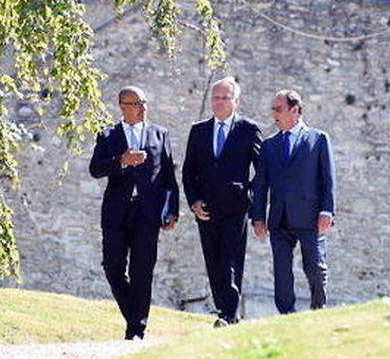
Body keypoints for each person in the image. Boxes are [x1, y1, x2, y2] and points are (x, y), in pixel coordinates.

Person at [89, 86, 180, 340]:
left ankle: (136, 329)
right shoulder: (108, 135)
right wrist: (121, 162)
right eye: (137, 103)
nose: (143, 108)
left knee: (143, 270)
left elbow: (169, 176)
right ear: (122, 106)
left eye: (144, 102)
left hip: (147, 213)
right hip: (116, 212)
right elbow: (95, 169)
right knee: (112, 266)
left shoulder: (159, 134)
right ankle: (134, 315)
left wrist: (172, 210)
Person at [182, 77, 263, 326]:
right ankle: (226, 313)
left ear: (236, 101)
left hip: (235, 207)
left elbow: (262, 171)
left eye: (225, 97)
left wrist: (248, 195)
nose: (219, 102)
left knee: (230, 259)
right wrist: (194, 201)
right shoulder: (199, 130)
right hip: (206, 208)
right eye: (215, 97)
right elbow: (188, 171)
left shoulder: (249, 129)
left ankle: (227, 313)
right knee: (214, 262)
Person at [251, 90, 336, 314]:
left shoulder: (318, 139)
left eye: (278, 109)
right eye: (273, 109)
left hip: (310, 217)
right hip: (279, 219)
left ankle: (319, 306)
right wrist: (258, 217)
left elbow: (327, 178)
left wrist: (327, 210)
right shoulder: (269, 146)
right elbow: (260, 184)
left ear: (295, 110)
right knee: (281, 270)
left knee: (314, 267)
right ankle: (286, 314)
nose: (273, 114)